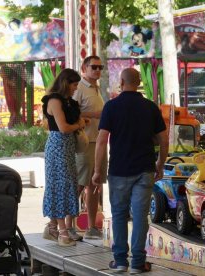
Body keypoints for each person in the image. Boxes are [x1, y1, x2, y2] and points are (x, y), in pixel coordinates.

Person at [92, 68, 168, 274]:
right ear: (139, 82)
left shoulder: (111, 107)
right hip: (145, 169)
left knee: (118, 216)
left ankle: (120, 262)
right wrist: (160, 164)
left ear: (121, 82)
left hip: (119, 170)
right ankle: (137, 263)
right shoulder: (151, 108)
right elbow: (163, 138)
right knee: (141, 216)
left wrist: (97, 170)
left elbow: (101, 141)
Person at [41, 68, 86, 247]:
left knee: (66, 184)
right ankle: (62, 231)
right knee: (60, 185)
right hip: (58, 146)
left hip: (67, 147)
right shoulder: (54, 100)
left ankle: (53, 226)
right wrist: (80, 124)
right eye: (74, 84)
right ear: (66, 83)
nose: (76, 88)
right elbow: (63, 128)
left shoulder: (67, 101)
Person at [69, 55, 107, 240]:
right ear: (84, 68)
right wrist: (95, 114)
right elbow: (71, 113)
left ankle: (92, 227)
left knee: (94, 185)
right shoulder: (80, 88)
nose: (98, 70)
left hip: (98, 141)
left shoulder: (96, 88)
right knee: (79, 184)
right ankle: (67, 226)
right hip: (84, 143)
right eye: (94, 67)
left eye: (100, 67)